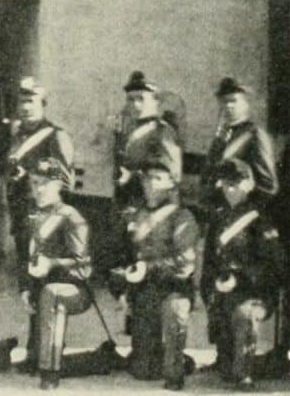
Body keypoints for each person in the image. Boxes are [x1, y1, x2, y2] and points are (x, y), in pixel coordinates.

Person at [112, 155, 198, 390]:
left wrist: (148, 268)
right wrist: (121, 288)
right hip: (144, 293)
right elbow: (121, 256)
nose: (150, 184)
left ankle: (178, 364)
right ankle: (159, 354)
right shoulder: (134, 216)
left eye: (158, 179)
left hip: (173, 291)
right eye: (147, 179)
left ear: (172, 183)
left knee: (173, 311)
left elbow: (185, 263)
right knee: (142, 371)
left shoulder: (182, 217)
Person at [202, 159, 285, 390]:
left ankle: (245, 373)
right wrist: (209, 290)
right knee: (225, 371)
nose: (229, 189)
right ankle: (231, 361)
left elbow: (274, 266)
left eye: (235, 183)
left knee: (243, 313)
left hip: (253, 293)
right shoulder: (218, 219)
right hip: (223, 291)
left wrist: (240, 278)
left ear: (249, 185)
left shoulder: (260, 221)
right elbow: (209, 263)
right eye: (226, 184)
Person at [19, 157, 93, 390]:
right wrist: (24, 288)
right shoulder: (31, 216)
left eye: (45, 183)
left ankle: (51, 373)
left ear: (60, 185)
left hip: (73, 289)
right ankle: (59, 360)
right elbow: (26, 257)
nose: (38, 189)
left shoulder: (71, 217)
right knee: (32, 360)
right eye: (34, 183)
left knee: (52, 293)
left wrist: (52, 263)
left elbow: (83, 265)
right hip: (41, 288)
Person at [6, 77, 74, 273]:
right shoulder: (17, 136)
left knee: (46, 275)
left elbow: (65, 180)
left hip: (47, 220)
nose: (25, 107)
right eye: (22, 101)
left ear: (43, 104)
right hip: (20, 216)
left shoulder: (56, 135)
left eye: (31, 101)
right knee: (25, 276)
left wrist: (29, 174)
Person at [201, 77, 278, 224]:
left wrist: (244, 209)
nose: (228, 106)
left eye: (234, 100)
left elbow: (269, 187)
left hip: (243, 219)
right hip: (218, 217)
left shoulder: (255, 135)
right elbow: (208, 175)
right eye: (224, 101)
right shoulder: (222, 136)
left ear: (246, 103)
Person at [114, 71, 182, 212]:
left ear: (156, 101)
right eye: (130, 99)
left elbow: (169, 174)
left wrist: (131, 176)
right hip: (126, 202)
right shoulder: (127, 129)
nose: (135, 104)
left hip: (151, 203)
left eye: (141, 99)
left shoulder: (161, 131)